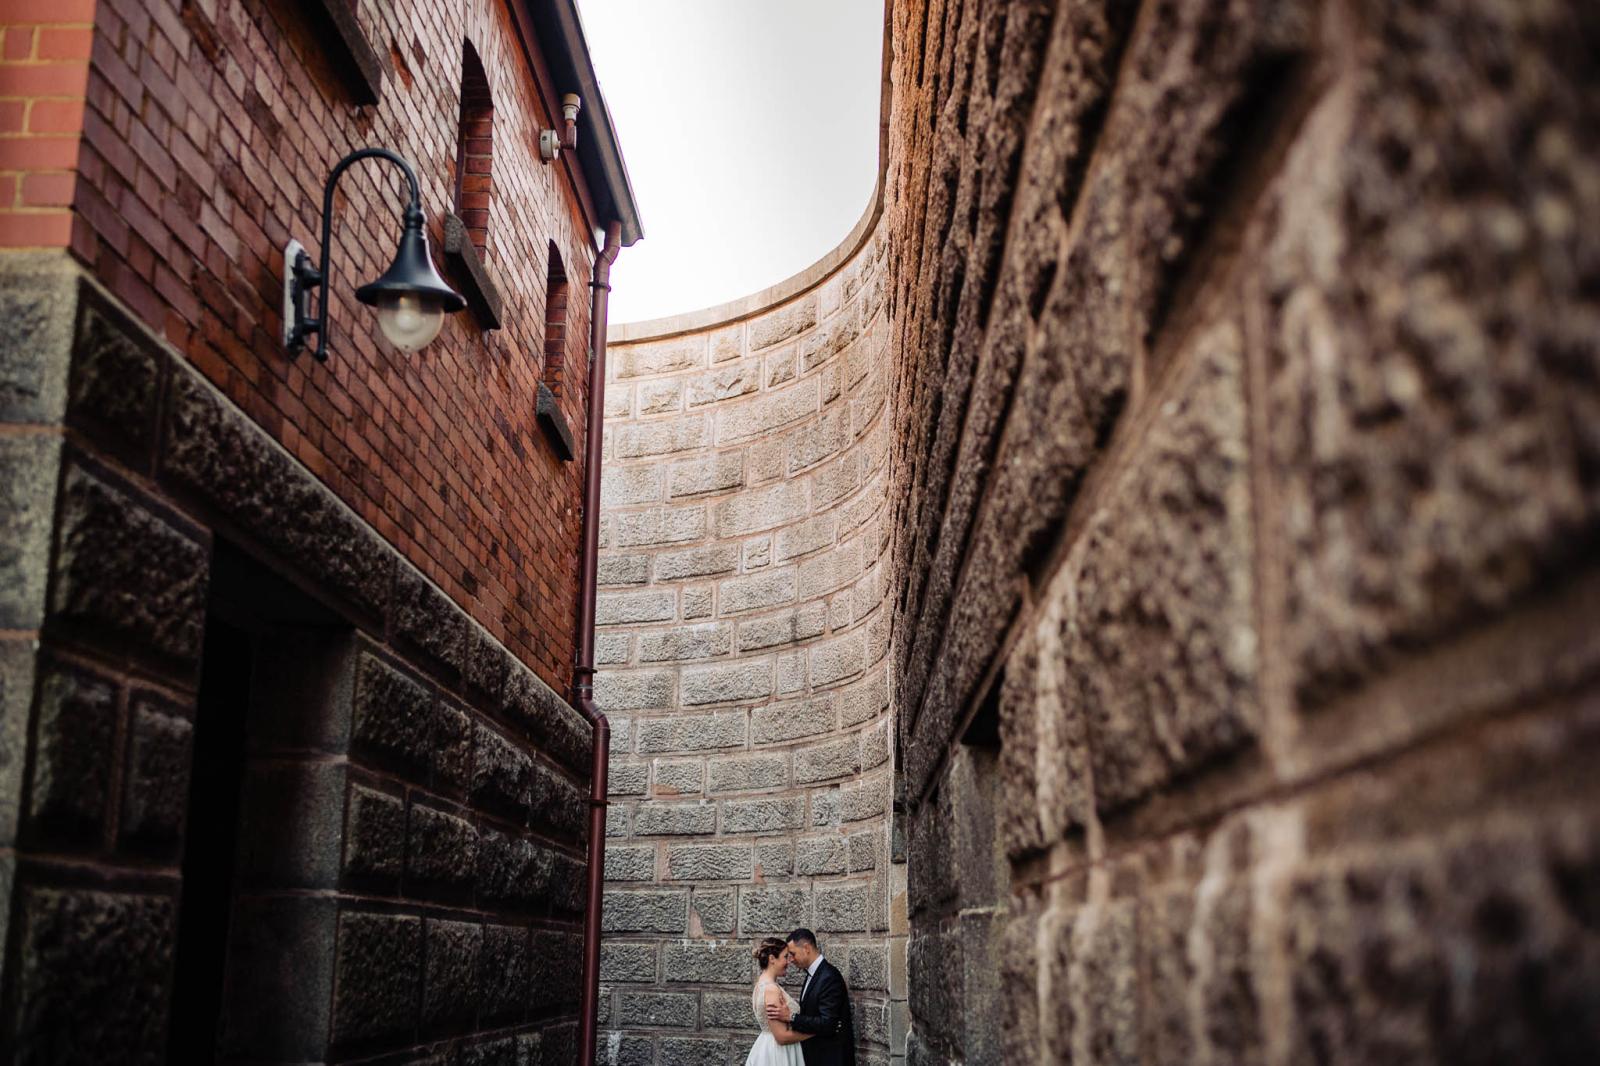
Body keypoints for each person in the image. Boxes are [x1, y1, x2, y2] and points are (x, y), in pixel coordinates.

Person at [765, 928, 856, 1066]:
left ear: (806, 948)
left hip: (830, 1058)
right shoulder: (812, 975)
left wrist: (792, 1017)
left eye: (793, 954)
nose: (791, 960)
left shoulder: (829, 977)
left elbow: (828, 1024)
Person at [746, 936, 810, 1065]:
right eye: (785, 957)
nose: (789, 961)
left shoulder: (760, 984)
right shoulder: (771, 989)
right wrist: (816, 1032)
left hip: (768, 1047)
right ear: (772, 959)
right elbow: (781, 1037)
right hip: (778, 1053)